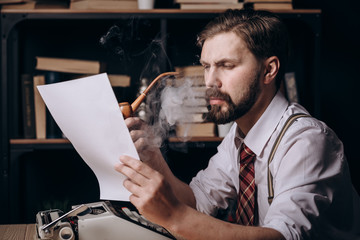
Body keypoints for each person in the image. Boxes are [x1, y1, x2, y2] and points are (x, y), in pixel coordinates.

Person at [115, 9, 360, 240]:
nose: (211, 81)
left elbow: (282, 237)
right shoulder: (240, 135)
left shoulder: (306, 141)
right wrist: (153, 157)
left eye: (227, 66)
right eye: (206, 67)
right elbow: (197, 202)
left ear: (269, 70)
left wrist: (175, 217)